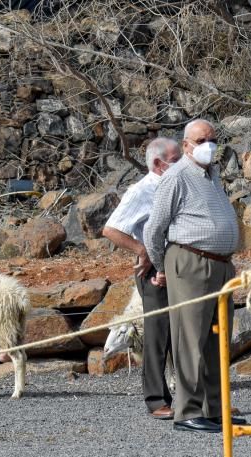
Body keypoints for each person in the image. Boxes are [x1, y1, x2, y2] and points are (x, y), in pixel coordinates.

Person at [143, 119, 245, 433]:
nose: (208, 145)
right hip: (190, 263)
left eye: (212, 139)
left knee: (217, 339)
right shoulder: (176, 176)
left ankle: (213, 408)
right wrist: (163, 268)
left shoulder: (212, 175)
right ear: (187, 144)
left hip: (219, 265)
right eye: (201, 140)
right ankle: (187, 409)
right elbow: (153, 229)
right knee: (190, 340)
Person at [102, 137, 181, 420]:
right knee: (158, 335)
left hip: (181, 269)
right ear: (159, 164)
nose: (181, 162)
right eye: (176, 159)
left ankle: (190, 396)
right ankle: (156, 399)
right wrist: (142, 250)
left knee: (185, 334)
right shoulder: (141, 191)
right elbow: (111, 229)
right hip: (153, 272)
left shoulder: (178, 185)